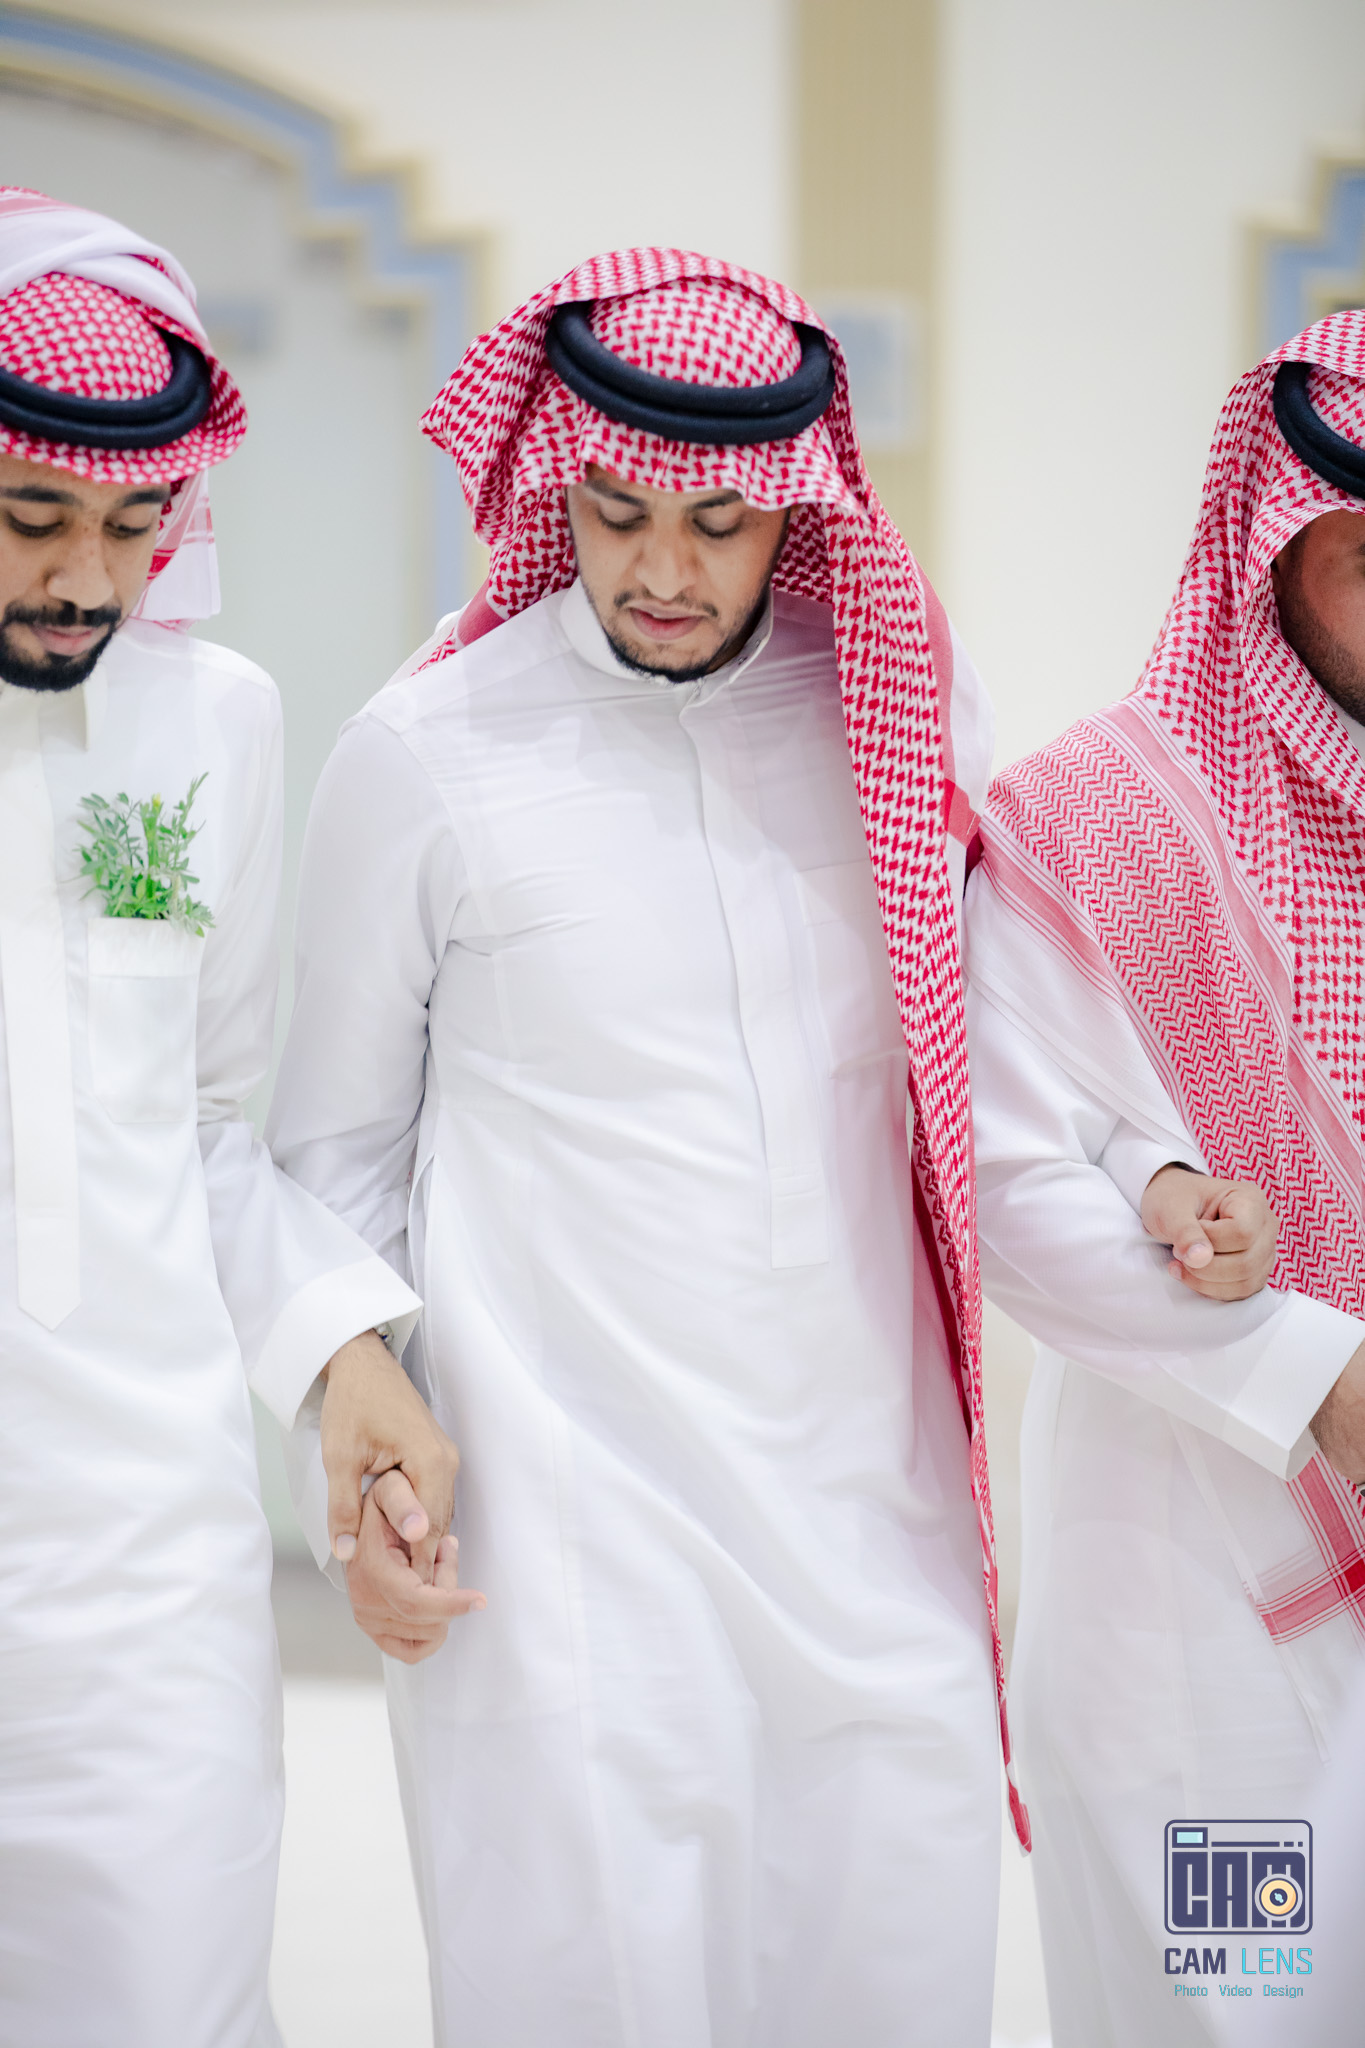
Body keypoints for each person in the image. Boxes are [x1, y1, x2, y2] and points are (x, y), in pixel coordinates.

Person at [269, 248, 1013, 2046]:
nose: (662, 570)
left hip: (873, 1547)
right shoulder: (426, 753)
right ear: (556, 483)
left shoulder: (885, 716)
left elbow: (994, 1070)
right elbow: (326, 1159)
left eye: (717, 523)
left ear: (797, 509)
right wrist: (354, 1440)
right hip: (572, 1572)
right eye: (614, 514)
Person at [0, 187, 461, 2048]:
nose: (85, 582)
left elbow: (197, 1121)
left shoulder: (219, 722)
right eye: (32, 516)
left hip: (140, 1549)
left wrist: (345, 1359)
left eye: (132, 525)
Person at [967, 306, 1365, 2045]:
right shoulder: (1094, 820)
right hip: (1204, 1608)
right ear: (1265, 560)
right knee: (1234, 2013)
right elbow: (1010, 1190)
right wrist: (1314, 1376)